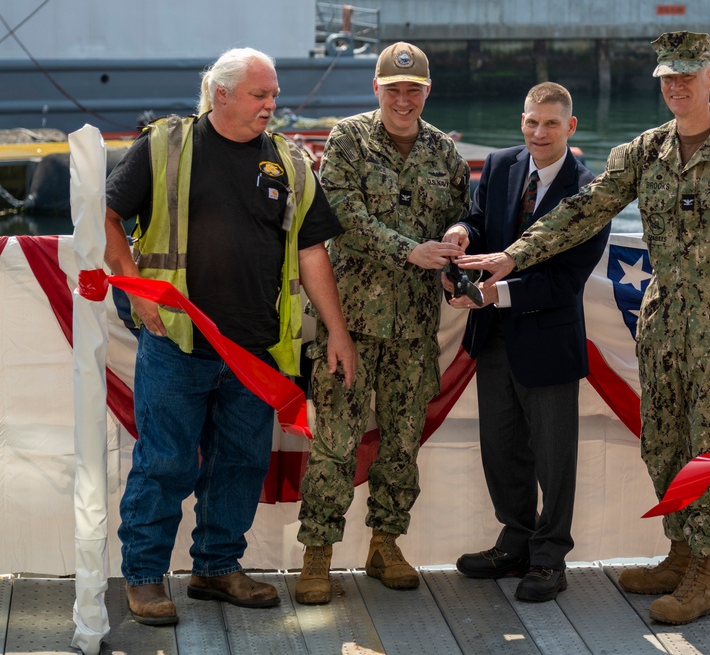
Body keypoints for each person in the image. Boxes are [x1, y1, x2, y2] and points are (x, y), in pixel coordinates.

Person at [457, 31, 710, 625]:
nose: (676, 87)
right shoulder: (645, 151)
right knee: (665, 445)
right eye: (667, 79)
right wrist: (513, 257)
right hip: (663, 324)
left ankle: (703, 576)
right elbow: (582, 210)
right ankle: (679, 554)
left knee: (707, 448)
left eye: (688, 76)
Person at [104, 47, 357, 626]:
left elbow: (313, 250)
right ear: (220, 95)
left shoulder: (290, 163)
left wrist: (337, 333)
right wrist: (137, 289)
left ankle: (217, 568)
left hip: (257, 350)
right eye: (259, 95)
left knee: (242, 462)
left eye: (273, 95)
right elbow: (106, 214)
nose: (272, 105)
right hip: (177, 341)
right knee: (165, 461)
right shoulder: (165, 145)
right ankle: (143, 578)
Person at [294, 41, 470, 603]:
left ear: (426, 92)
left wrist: (458, 236)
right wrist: (407, 251)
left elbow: (463, 213)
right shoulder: (348, 139)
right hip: (351, 325)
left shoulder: (444, 152)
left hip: (415, 330)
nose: (402, 99)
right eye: (393, 89)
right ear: (377, 89)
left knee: (401, 445)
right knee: (335, 445)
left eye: (412, 89)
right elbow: (343, 213)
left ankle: (385, 543)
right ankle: (317, 554)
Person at [443, 82, 610, 603]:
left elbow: (565, 280)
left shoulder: (590, 192)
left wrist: (496, 294)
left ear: (571, 128)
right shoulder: (498, 165)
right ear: (522, 122)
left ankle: (549, 557)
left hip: (547, 342)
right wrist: (460, 232)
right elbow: (480, 221)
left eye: (551, 124)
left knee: (554, 457)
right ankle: (514, 541)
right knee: (500, 448)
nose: (539, 133)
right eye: (532, 122)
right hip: (492, 338)